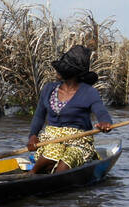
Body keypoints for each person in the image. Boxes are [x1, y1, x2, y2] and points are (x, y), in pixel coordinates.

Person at [27, 44, 115, 174]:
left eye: (61, 68)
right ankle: (32, 174)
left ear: (71, 72)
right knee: (51, 154)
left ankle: (55, 179)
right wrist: (33, 136)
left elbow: (101, 111)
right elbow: (39, 116)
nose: (57, 71)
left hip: (78, 141)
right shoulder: (49, 89)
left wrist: (105, 123)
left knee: (66, 162)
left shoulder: (89, 92)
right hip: (52, 139)